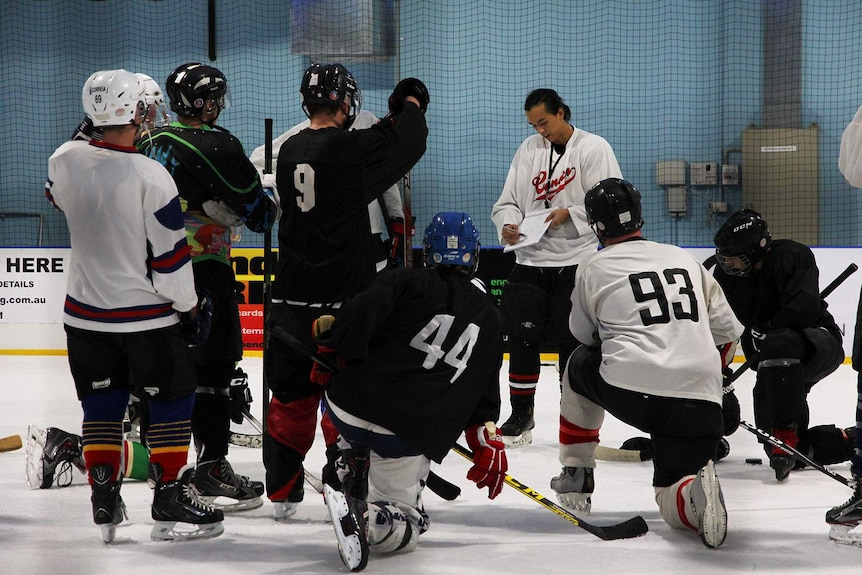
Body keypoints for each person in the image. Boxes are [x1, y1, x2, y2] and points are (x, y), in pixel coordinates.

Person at [45, 69, 223, 542]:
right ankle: (167, 496)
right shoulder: (152, 175)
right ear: (136, 111)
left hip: (83, 317)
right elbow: (170, 261)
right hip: (146, 320)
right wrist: (189, 308)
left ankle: (104, 495)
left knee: (100, 406)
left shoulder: (63, 160)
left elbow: (58, 192)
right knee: (172, 401)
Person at [264, 63, 428, 523]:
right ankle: (345, 488)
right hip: (342, 303)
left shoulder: (290, 149)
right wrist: (410, 103)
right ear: (344, 102)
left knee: (290, 400)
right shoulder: (349, 149)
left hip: (291, 302)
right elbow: (408, 144)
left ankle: (281, 490)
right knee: (346, 400)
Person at [550, 178, 743, 549]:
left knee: (578, 364)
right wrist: (713, 380)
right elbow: (728, 332)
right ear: (640, 216)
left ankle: (576, 471)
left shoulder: (592, 265)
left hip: (635, 392)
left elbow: (583, 336)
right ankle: (692, 495)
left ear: (595, 225)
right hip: (702, 404)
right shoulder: (682, 256)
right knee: (669, 490)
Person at [310, 212, 505, 570]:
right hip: (405, 434)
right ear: (473, 256)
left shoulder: (403, 279)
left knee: (339, 391)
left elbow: (357, 316)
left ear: (428, 251)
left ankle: (343, 459)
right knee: (403, 534)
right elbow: (482, 395)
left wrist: (332, 350)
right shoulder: (491, 318)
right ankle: (371, 516)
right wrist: (484, 434)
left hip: (349, 408)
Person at [138, 62, 278, 511]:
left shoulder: (150, 142)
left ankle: (166, 471)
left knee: (167, 373)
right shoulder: (218, 144)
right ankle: (211, 466)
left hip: (152, 273)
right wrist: (262, 199)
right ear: (205, 102)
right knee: (215, 372)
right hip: (204, 271)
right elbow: (260, 214)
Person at [491, 88, 623, 448]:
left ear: (562, 112)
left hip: (575, 262)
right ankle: (521, 414)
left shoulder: (595, 149)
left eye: (544, 122)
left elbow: (610, 201)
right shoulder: (528, 149)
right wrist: (508, 223)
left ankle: (573, 413)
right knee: (521, 339)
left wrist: (572, 214)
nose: (540, 131)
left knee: (573, 343)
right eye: (533, 124)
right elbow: (507, 202)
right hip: (529, 260)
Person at [712, 209, 850, 482]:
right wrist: (721, 382)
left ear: (755, 250)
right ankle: (849, 441)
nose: (727, 263)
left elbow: (804, 310)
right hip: (772, 361)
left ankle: (785, 432)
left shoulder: (793, 256)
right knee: (784, 450)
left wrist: (766, 331)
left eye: (734, 257)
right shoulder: (726, 276)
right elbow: (719, 327)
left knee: (780, 341)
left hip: (818, 344)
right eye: (723, 257)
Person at [250, 109, 406, 272]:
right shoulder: (306, 135)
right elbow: (258, 159)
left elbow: (385, 175)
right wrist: (274, 186)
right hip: (324, 237)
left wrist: (397, 220)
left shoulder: (365, 121)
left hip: (365, 238)